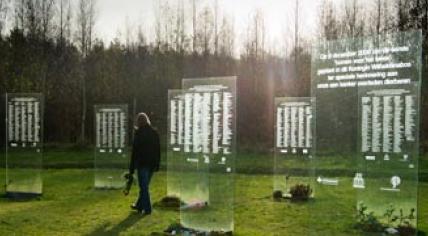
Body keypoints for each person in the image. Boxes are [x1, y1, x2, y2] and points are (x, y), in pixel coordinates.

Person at [129, 112, 161, 215]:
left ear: (138, 122)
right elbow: (158, 150)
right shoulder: (154, 133)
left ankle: (148, 209)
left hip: (142, 164)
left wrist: (132, 168)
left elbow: (135, 152)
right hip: (152, 164)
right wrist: (157, 164)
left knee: (144, 187)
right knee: (144, 186)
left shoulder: (138, 134)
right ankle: (139, 205)